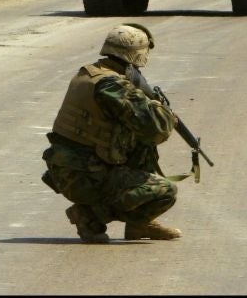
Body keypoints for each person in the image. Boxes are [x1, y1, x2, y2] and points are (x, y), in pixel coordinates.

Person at [41, 24, 182, 243]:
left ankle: (140, 225)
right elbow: (158, 130)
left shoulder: (91, 73)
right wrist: (161, 110)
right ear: (139, 55)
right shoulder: (112, 85)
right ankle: (90, 215)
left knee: (142, 146)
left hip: (68, 170)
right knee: (165, 191)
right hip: (84, 176)